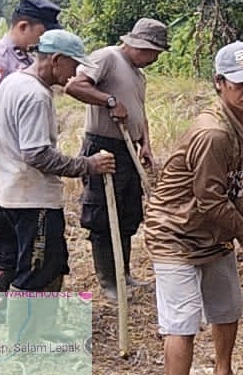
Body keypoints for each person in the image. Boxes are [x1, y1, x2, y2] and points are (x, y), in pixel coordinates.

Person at [143, 41, 243, 375]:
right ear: (219, 83)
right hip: (176, 232)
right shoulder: (213, 133)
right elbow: (210, 201)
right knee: (182, 322)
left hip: (213, 231)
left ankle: (223, 373)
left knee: (228, 306)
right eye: (241, 83)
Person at [0, 30, 116, 341]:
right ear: (56, 60)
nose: (75, 73)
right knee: (34, 270)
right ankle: (24, 341)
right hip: (31, 198)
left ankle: (44, 329)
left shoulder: (13, 82)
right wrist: (87, 165)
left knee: (51, 264)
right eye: (73, 65)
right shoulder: (35, 95)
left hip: (15, 191)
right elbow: (36, 154)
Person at [0, 0, 61, 323]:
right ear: (23, 26)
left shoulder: (26, 59)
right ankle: (6, 313)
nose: (43, 41)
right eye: (42, 33)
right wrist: (15, 151)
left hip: (22, 169)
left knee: (29, 246)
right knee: (9, 246)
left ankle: (26, 317)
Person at [65, 18, 169, 300]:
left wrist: (145, 144)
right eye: (152, 53)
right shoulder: (107, 57)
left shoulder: (138, 75)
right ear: (137, 45)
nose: (154, 59)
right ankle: (108, 281)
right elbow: (75, 86)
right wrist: (109, 101)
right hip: (103, 146)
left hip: (128, 149)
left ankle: (123, 275)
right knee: (102, 214)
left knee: (127, 213)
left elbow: (139, 112)